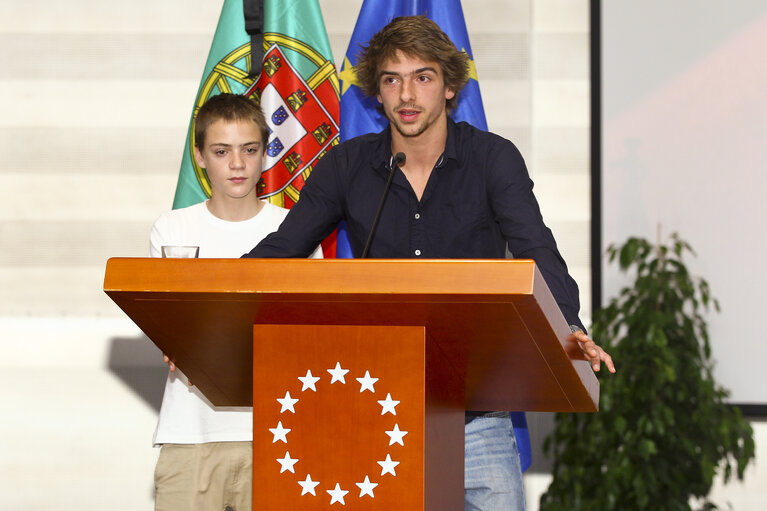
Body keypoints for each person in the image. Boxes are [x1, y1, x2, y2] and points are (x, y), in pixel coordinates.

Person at [243, 15, 614, 511]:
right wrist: (205, 317)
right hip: (380, 410)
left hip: (477, 413)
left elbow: (537, 250)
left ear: (450, 88)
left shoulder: (493, 159)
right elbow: (281, 251)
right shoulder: (347, 165)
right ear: (376, 92)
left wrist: (569, 326)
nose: (407, 95)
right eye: (392, 79)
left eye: (423, 77)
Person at [149, 93, 321, 511]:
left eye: (249, 150)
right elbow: (174, 333)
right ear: (201, 157)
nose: (238, 164)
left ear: (266, 152)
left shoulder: (294, 230)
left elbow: (306, 334)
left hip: (279, 431)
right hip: (191, 432)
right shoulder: (173, 228)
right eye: (222, 151)